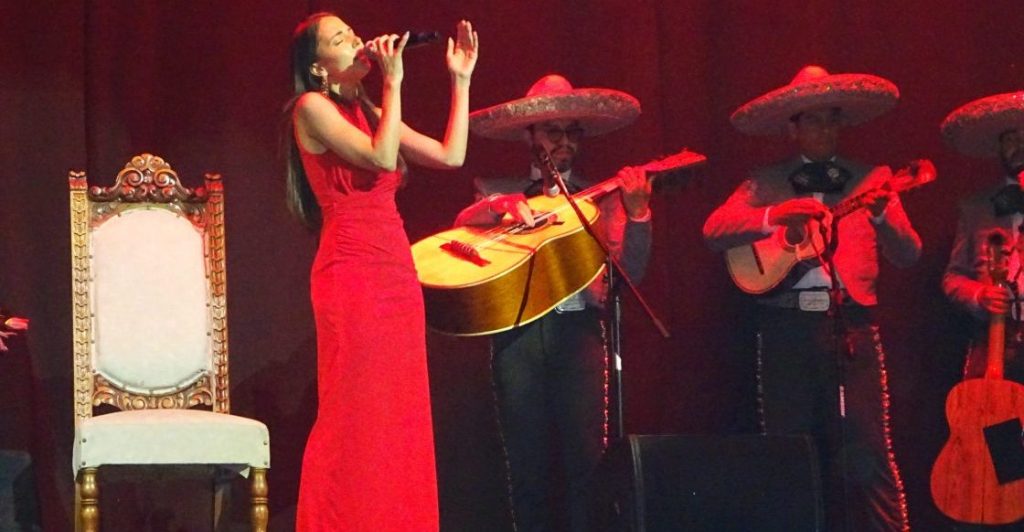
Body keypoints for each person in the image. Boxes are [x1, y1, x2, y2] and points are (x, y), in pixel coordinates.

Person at [284, 12, 478, 531]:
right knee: (357, 416)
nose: (357, 40)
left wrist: (459, 80)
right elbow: (381, 155)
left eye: (352, 31)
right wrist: (393, 82)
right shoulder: (311, 108)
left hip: (395, 273)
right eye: (340, 38)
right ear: (319, 67)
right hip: (353, 278)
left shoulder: (369, 107)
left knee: (399, 417)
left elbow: (450, 155)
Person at [703, 65, 916, 531]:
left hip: (851, 325)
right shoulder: (765, 180)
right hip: (785, 329)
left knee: (868, 449)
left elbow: (909, 253)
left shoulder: (873, 178)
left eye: (831, 119)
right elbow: (714, 230)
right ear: (792, 127)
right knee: (787, 450)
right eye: (813, 120)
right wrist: (774, 215)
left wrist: (883, 217)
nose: (824, 129)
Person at [455, 74, 652, 532]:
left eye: (571, 133)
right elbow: (462, 229)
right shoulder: (495, 188)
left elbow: (630, 273)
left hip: (579, 331)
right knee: (526, 465)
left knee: (588, 464)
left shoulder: (602, 197)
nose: (563, 143)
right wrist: (501, 204)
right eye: (552, 132)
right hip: (520, 335)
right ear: (531, 136)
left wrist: (639, 213)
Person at [942, 90, 1024, 384]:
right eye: (1010, 139)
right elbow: (953, 278)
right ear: (999, 147)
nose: (1019, 146)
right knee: (990, 426)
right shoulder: (976, 207)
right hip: (993, 343)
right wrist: (980, 295)